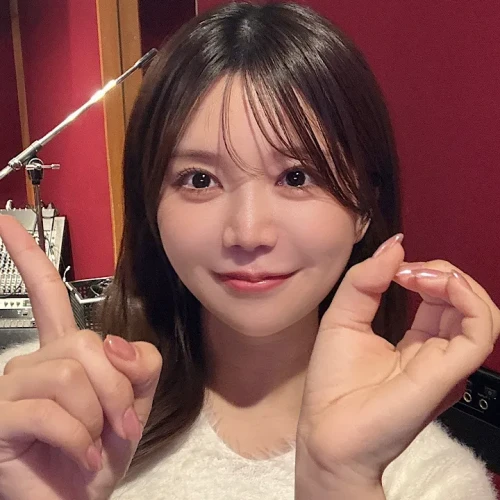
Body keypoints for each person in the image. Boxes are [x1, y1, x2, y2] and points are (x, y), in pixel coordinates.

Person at [0, 2, 499, 499]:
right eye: (200, 179)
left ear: (365, 207)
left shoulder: (435, 484)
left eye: (297, 177)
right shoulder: (38, 409)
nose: (247, 231)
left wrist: (338, 478)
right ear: (151, 204)